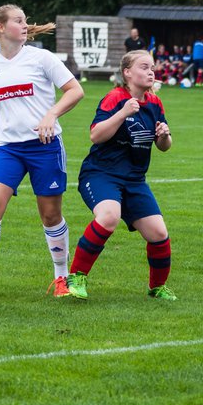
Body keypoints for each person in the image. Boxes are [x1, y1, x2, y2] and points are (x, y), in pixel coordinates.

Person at [0, 5, 84, 300]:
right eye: (19, 21)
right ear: (2, 28)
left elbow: (75, 91)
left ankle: (61, 278)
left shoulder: (41, 58)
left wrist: (51, 115)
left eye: (25, 21)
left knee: (50, 215)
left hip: (45, 148)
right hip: (7, 148)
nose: (25, 25)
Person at [66, 50, 175, 301]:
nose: (151, 72)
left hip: (134, 180)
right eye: (144, 67)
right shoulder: (115, 98)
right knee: (109, 216)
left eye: (152, 68)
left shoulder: (154, 103)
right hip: (101, 174)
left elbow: (164, 147)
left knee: (158, 234)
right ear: (127, 72)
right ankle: (77, 276)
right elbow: (96, 135)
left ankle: (157, 288)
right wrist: (122, 113)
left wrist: (165, 135)